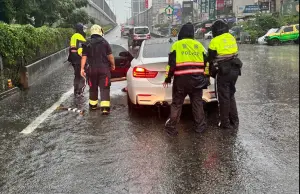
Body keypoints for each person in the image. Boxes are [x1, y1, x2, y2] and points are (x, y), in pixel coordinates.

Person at [163, 22, 210, 136]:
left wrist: (167, 79)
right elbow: (207, 63)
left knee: (177, 104)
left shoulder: (177, 45)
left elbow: (171, 64)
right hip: (198, 80)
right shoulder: (199, 45)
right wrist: (206, 77)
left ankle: (172, 128)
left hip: (181, 80)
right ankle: (200, 127)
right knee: (197, 103)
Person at [207, 20, 243, 130]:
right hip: (235, 70)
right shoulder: (231, 37)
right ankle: (235, 121)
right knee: (231, 94)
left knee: (223, 97)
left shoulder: (215, 41)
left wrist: (207, 72)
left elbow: (210, 58)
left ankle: (225, 123)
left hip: (223, 71)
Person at [80, 24, 115, 115]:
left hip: (91, 70)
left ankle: (93, 106)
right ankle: (105, 109)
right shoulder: (105, 42)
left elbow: (84, 57)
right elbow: (110, 56)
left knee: (93, 88)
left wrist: (82, 69)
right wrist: (113, 65)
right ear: (100, 31)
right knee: (105, 88)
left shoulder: (87, 43)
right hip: (104, 70)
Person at [68, 23, 87, 97]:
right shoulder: (80, 36)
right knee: (82, 75)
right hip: (78, 58)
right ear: (81, 29)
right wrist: (84, 58)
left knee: (76, 75)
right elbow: (81, 49)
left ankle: (76, 91)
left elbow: (72, 47)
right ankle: (79, 91)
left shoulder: (73, 36)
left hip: (73, 58)